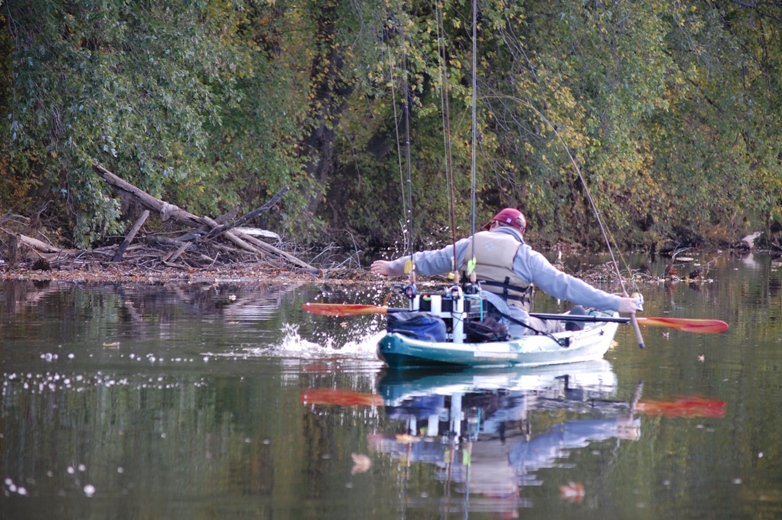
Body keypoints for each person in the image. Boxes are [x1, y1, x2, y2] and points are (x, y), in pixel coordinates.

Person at [371, 208, 640, 337]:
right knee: (551, 323)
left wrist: (392, 267)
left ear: (495, 224)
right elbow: (565, 286)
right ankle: (571, 320)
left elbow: (425, 261)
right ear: (521, 232)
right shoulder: (525, 255)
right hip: (512, 328)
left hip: (464, 321)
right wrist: (616, 302)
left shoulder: (468, 244)